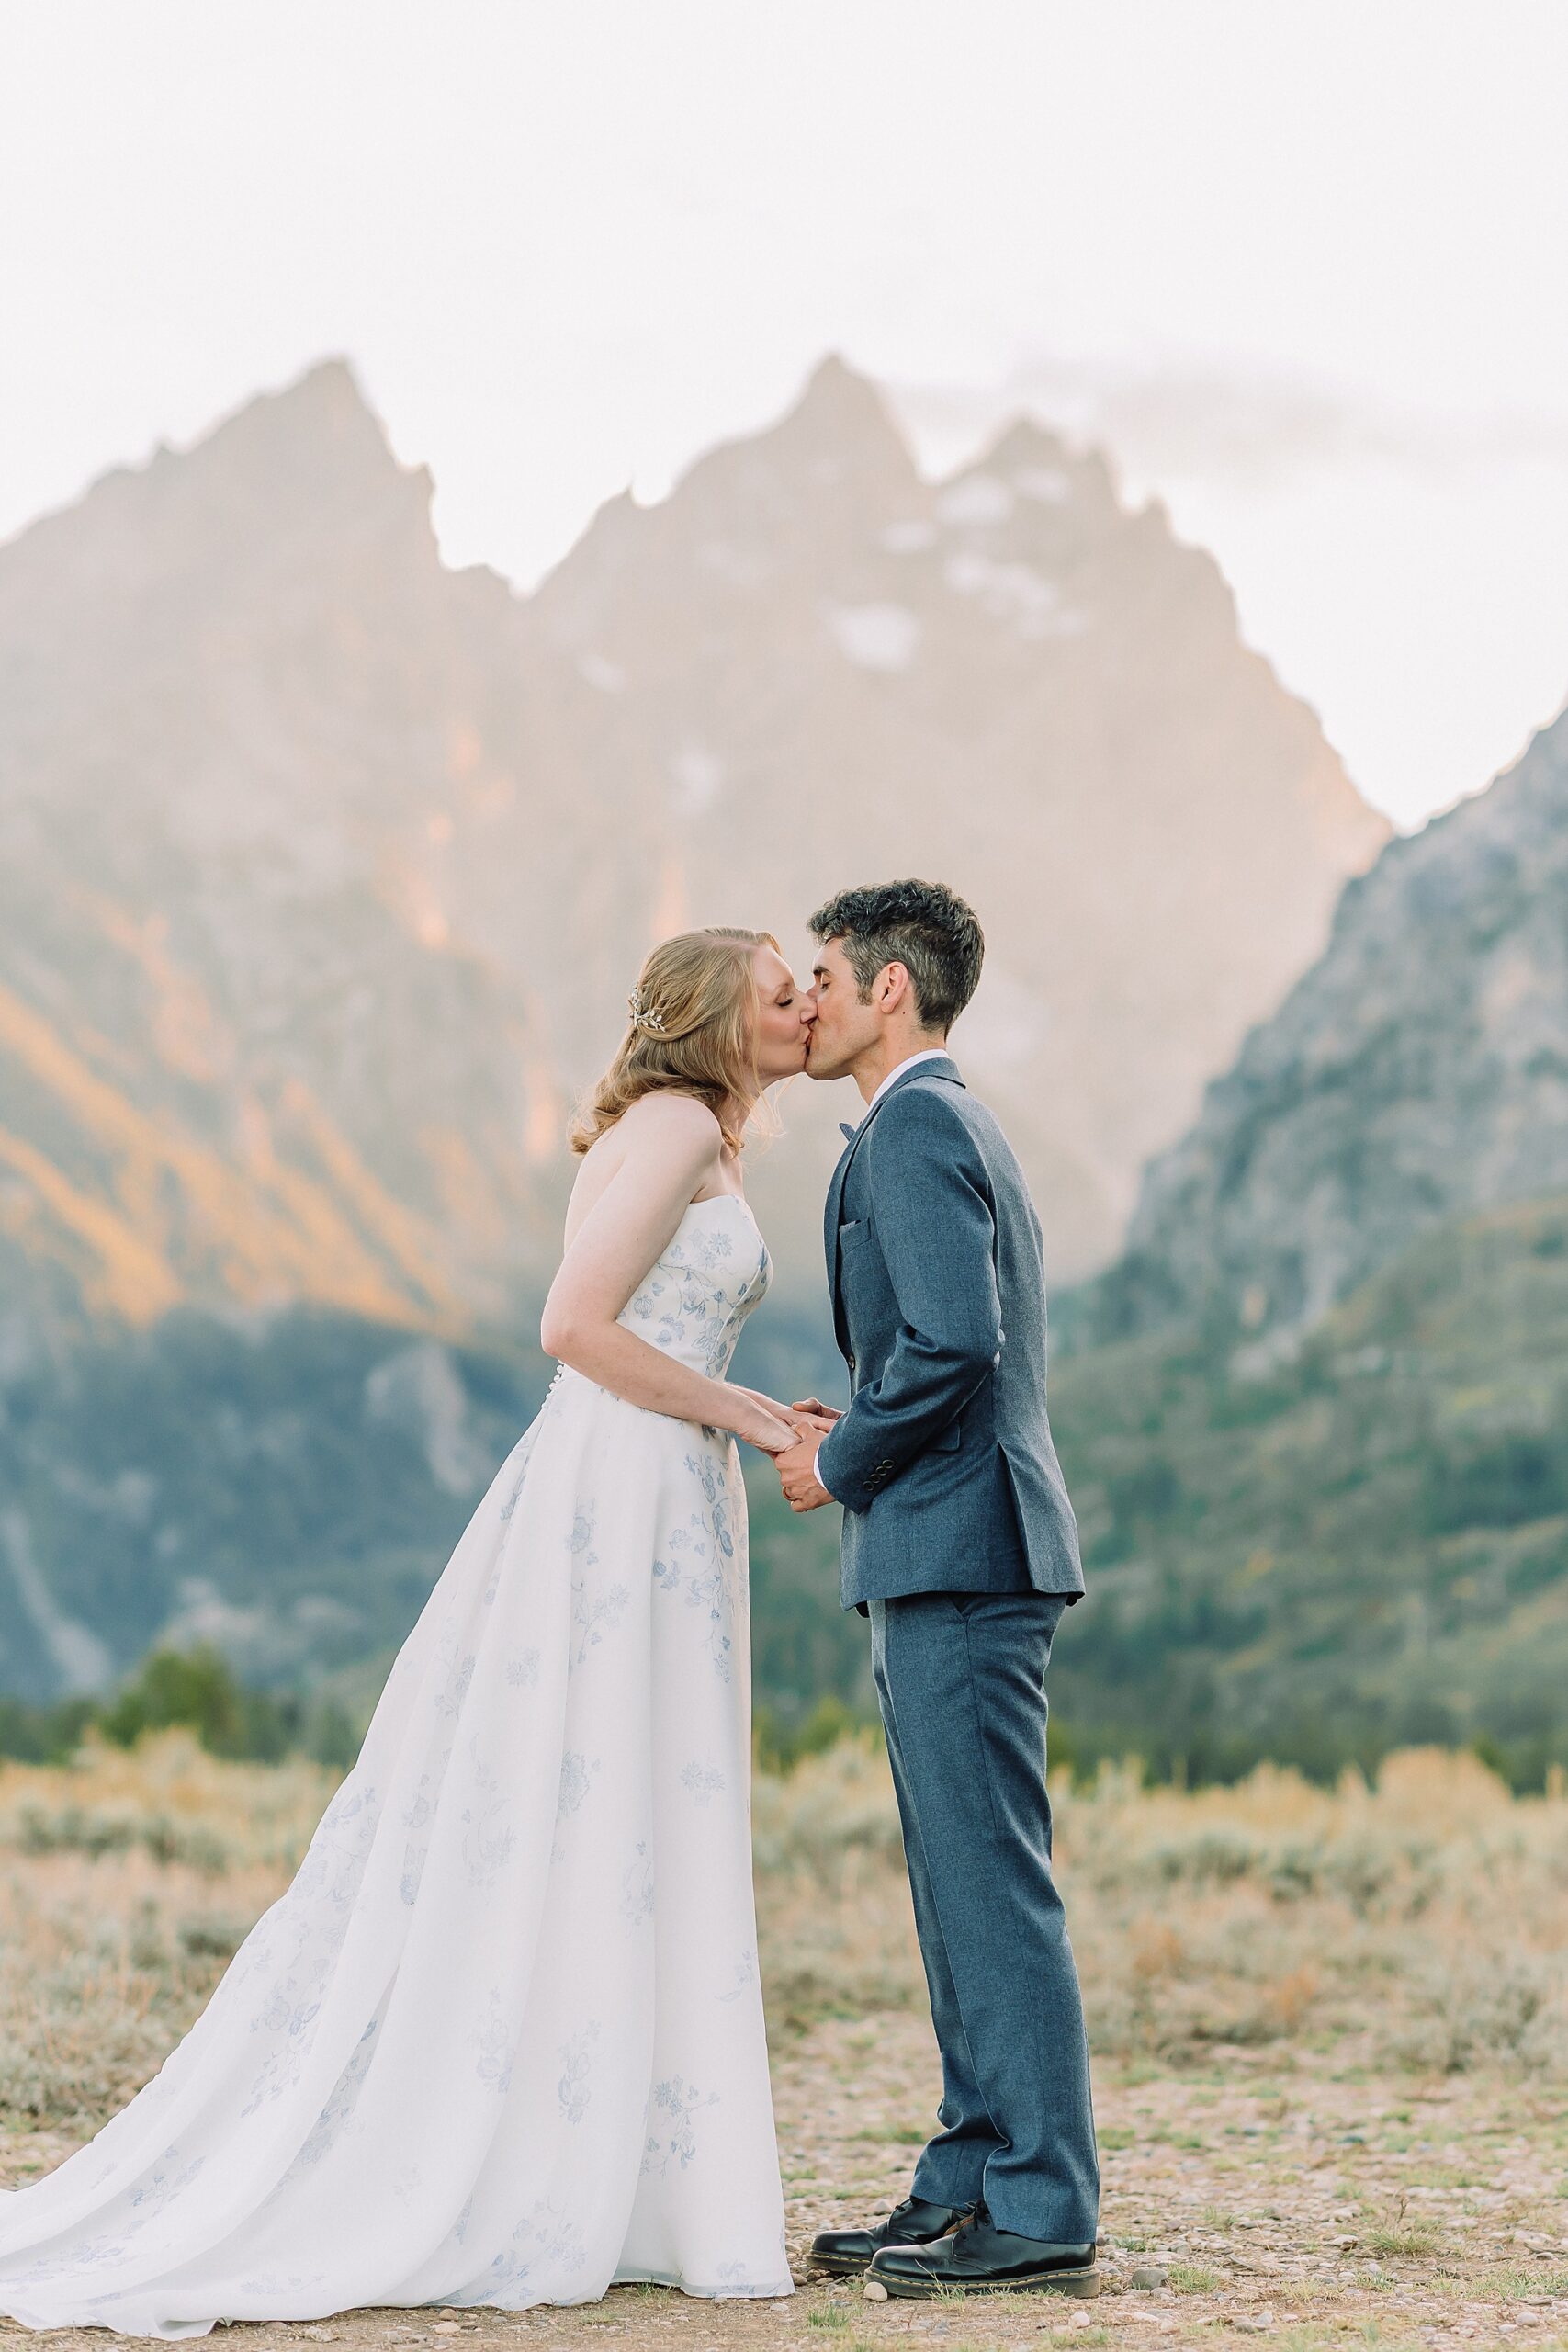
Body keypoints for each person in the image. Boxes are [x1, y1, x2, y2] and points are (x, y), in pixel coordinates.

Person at [0, 927, 818, 2337]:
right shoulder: (684, 1127)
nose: (805, 1005)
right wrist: (747, 1415)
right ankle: (561, 2168)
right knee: (606, 1800)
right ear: (710, 1021)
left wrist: (739, 1416)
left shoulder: (693, 1135)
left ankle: (613, 2165)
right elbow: (572, 1325)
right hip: (628, 1481)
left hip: (649, 1479)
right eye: (779, 993)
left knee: (622, 1808)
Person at [772, 878, 1100, 2302]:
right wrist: (852, 1431)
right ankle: (970, 2178)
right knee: (958, 1885)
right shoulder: (943, 1124)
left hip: (961, 1554)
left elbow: (957, 1348)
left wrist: (841, 1458)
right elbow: (943, 1345)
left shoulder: (914, 1127)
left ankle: (1040, 2204)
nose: (809, 1002)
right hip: (948, 1550)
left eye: (825, 977)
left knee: (990, 1886)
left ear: (888, 987)